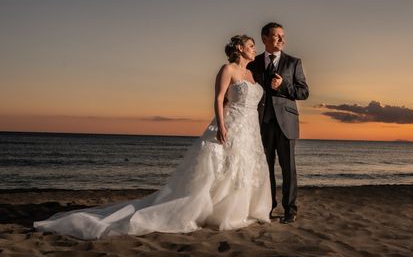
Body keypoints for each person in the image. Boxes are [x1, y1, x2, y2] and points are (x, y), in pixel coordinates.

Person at [34, 35, 271, 239]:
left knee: (241, 169)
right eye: (251, 45)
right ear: (239, 48)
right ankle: (211, 212)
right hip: (230, 124)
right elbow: (219, 99)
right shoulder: (227, 69)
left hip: (250, 129)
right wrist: (221, 125)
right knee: (220, 169)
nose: (254, 48)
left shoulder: (251, 74)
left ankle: (237, 210)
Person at [247, 22, 309, 224]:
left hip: (286, 122)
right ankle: (268, 206)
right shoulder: (253, 64)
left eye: (283, 35)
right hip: (261, 123)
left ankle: (290, 209)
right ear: (265, 39)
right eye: (277, 36)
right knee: (265, 169)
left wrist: (283, 86)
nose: (282, 39)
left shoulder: (293, 62)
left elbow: (303, 92)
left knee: (288, 168)